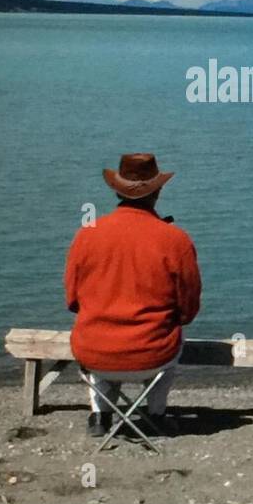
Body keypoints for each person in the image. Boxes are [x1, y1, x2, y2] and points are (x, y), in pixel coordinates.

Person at [64, 153, 202, 437]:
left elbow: (72, 300)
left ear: (116, 189)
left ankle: (100, 416)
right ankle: (156, 414)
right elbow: (188, 309)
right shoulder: (175, 239)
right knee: (174, 332)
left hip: (94, 354)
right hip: (153, 355)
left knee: (98, 333)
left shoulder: (87, 234)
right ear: (158, 190)